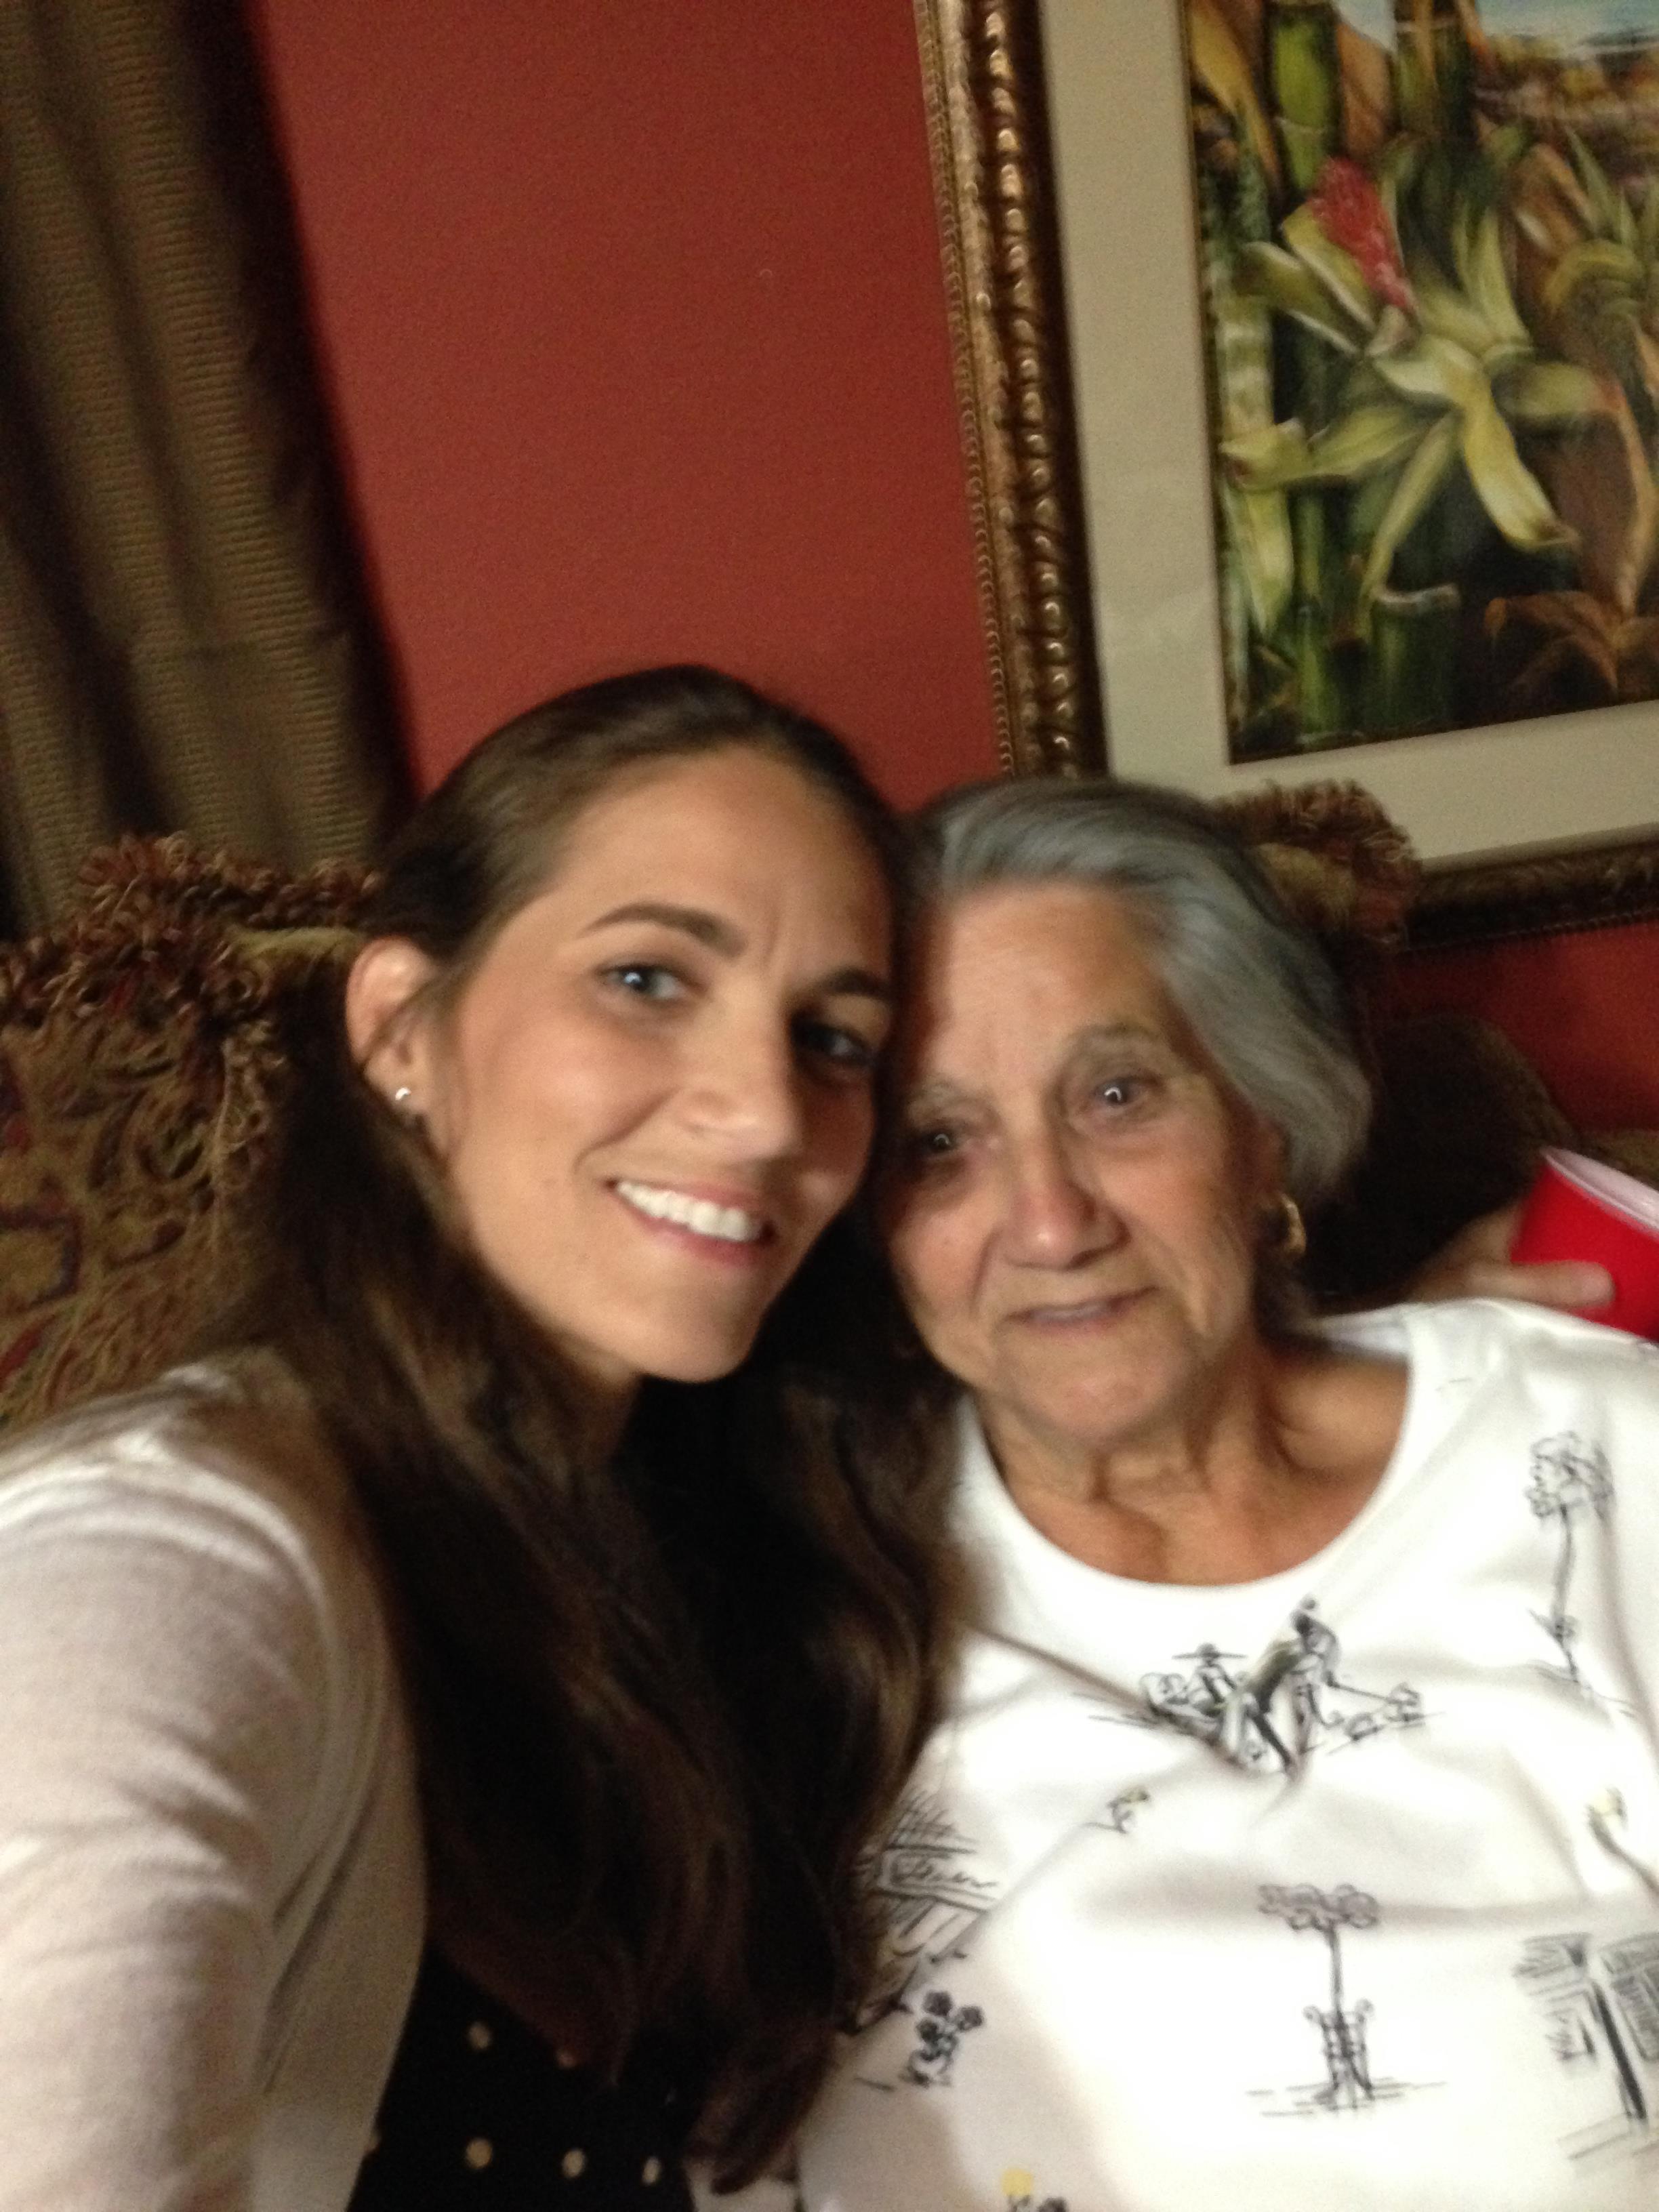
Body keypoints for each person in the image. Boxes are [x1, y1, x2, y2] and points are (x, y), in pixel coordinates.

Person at [0, 666, 956, 2212]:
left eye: (833, 1040)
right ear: (402, 1023)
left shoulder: (725, 1529)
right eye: (646, 979)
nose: (771, 1114)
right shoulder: (169, 1555)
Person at [731, 777, 1659, 2212]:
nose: (1051, 1220)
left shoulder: (1589, 1456)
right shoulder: (780, 1574)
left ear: (1260, 1125)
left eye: (1118, 1096)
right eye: (940, 1141)